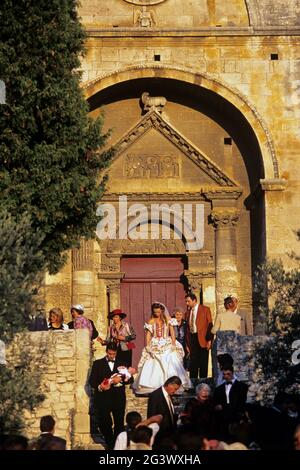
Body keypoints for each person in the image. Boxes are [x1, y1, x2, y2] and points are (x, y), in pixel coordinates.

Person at [133, 302, 191, 393]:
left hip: (166, 342)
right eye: (155, 312)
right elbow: (148, 335)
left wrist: (173, 343)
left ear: (162, 311)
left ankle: (172, 384)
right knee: (152, 362)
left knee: (170, 361)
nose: (157, 314)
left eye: (158, 312)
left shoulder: (168, 319)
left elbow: (172, 332)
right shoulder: (151, 321)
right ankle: (152, 385)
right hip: (155, 342)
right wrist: (148, 346)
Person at [89, 342, 133, 449]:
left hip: (118, 398)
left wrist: (122, 378)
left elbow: (130, 379)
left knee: (119, 423)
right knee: (104, 422)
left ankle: (117, 447)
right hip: (103, 398)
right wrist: (100, 387)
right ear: (106, 352)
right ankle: (111, 443)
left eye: (113, 354)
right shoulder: (97, 364)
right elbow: (92, 381)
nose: (111, 356)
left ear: (116, 353)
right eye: (109, 353)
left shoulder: (122, 363)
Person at [185, 293, 213, 382]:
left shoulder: (205, 309)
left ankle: (203, 382)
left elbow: (210, 325)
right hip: (192, 339)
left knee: (203, 362)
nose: (187, 303)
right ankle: (193, 382)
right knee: (193, 362)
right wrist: (187, 344)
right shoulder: (188, 313)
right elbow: (187, 330)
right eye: (186, 301)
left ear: (194, 300)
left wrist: (209, 340)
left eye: (188, 301)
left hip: (203, 338)